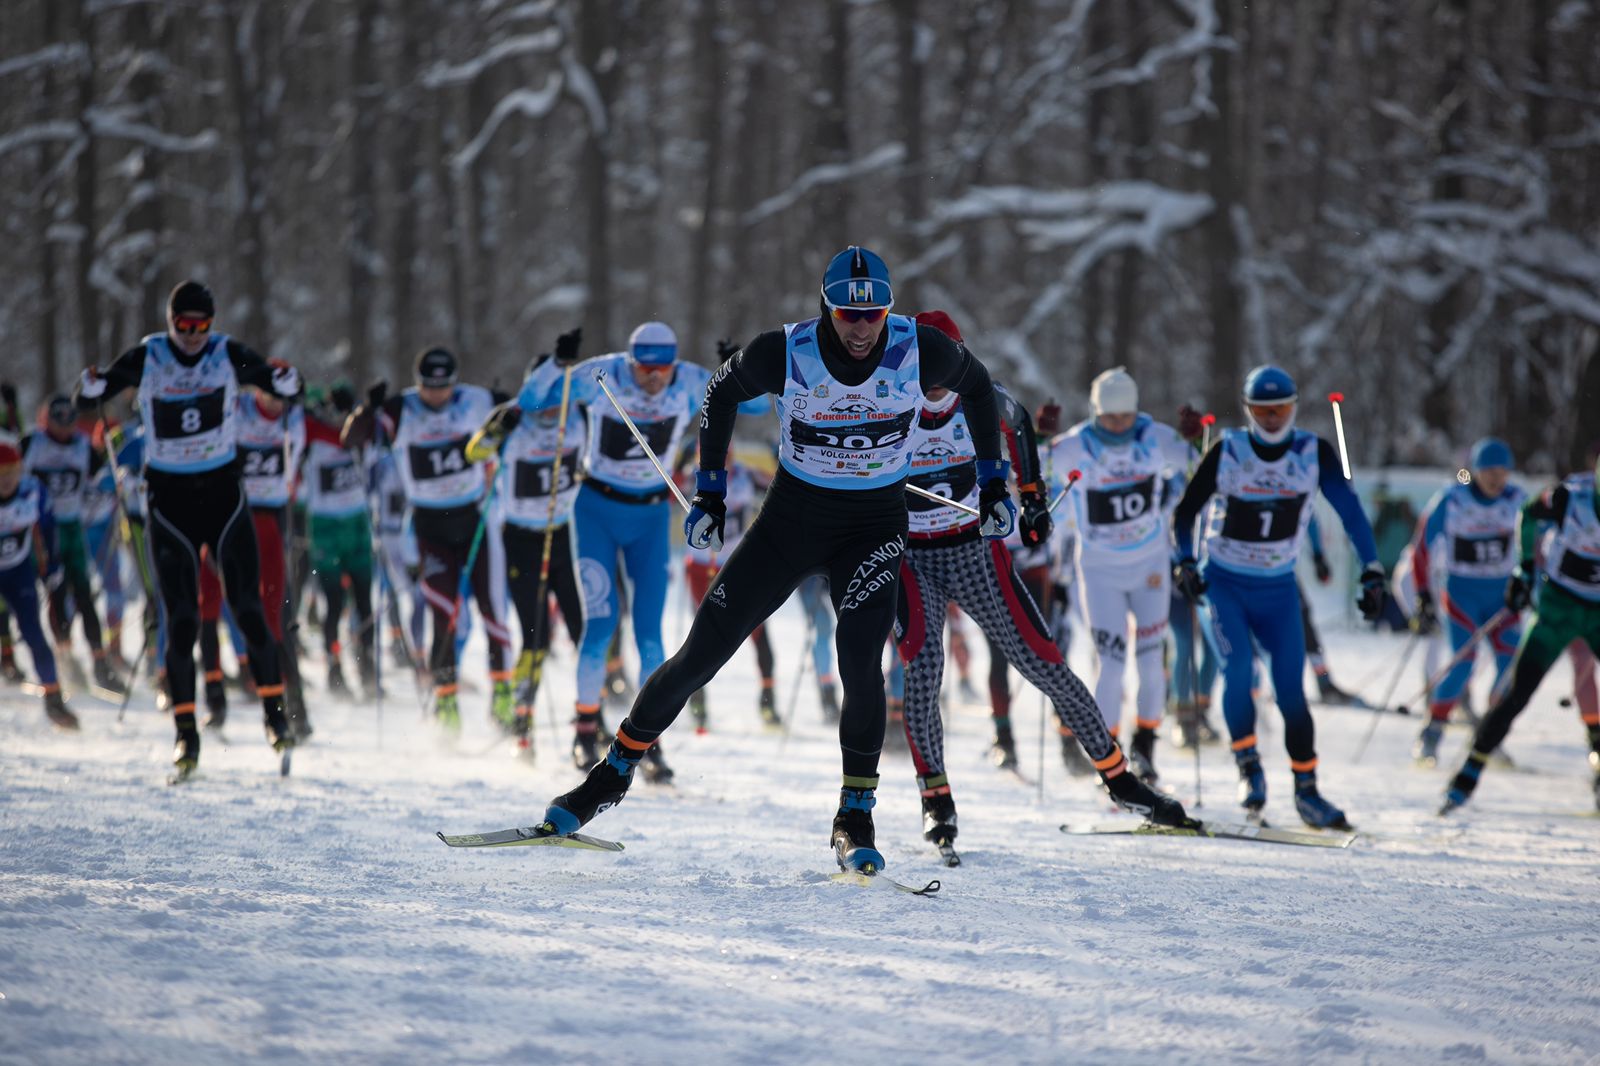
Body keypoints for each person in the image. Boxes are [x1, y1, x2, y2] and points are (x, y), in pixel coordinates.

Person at [540, 246, 1119, 871]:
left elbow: (981, 391)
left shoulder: (918, 347)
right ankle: (611, 774)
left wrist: (993, 484)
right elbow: (718, 395)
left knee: (861, 664)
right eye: (848, 314)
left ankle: (855, 815)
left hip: (872, 527)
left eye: (874, 315)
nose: (862, 328)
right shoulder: (786, 350)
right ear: (827, 309)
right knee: (701, 653)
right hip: (791, 522)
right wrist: (708, 492)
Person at [895, 312, 1186, 859]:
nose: (935, 379)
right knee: (923, 667)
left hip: (972, 549)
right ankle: (937, 800)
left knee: (1042, 661)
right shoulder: (892, 398)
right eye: (925, 366)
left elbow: (1020, 426)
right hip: (910, 555)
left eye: (945, 364)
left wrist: (1032, 498)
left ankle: (1120, 779)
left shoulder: (980, 392)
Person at [75, 280, 300, 778]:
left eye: (202, 325)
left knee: (248, 609)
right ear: (171, 321)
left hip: (223, 496)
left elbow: (277, 379)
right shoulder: (151, 355)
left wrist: (287, 382)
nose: (193, 335)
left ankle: (274, 717)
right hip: (170, 503)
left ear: (212, 323)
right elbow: (98, 390)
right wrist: (90, 388)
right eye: (184, 325)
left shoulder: (225, 352)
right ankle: (185, 734)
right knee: (180, 619)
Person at [1171, 365, 1384, 828]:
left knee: (1291, 691)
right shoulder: (1228, 449)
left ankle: (1307, 791)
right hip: (1225, 584)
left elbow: (1350, 513)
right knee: (1241, 671)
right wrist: (1185, 561)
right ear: (1248, 410)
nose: (1271, 419)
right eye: (1261, 410)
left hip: (1278, 591)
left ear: (1294, 408)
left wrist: (1371, 569)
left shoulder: (1314, 452)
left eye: (1281, 410)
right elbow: (1186, 512)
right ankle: (1250, 771)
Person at [515, 321, 711, 774]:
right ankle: (584, 731)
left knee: (650, 634)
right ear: (630, 361)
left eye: (663, 368)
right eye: (645, 368)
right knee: (600, 626)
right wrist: (556, 364)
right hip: (596, 511)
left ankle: (646, 739)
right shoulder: (604, 374)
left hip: (649, 517)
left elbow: (756, 403)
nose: (655, 378)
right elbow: (532, 401)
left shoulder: (689, 381)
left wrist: (736, 364)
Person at [341, 349, 510, 735]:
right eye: (429, 388)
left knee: (493, 611)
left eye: (444, 387)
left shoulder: (473, 400)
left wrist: (510, 415)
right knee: (445, 615)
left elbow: (517, 408)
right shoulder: (403, 407)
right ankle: (446, 701)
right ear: (419, 385)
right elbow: (351, 437)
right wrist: (369, 408)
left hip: (474, 521)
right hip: (429, 527)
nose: (437, 396)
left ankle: (503, 695)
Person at [1050, 368, 1192, 784]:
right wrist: (1037, 443)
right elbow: (1033, 475)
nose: (1118, 426)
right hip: (1099, 571)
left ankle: (1145, 748)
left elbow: (1203, 464)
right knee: (1110, 666)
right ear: (1096, 412)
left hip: (1149, 566)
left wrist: (1194, 442)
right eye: (1109, 418)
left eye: (1125, 417)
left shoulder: (1155, 436)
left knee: (1151, 664)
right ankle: (1107, 756)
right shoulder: (1075, 445)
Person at [1442, 454, 1600, 813]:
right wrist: (1524, 569)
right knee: (1518, 692)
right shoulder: (1570, 497)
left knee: (1584, 680)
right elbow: (1529, 514)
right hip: (1558, 609)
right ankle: (1468, 772)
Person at [465, 335, 589, 746]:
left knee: (582, 629)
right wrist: (498, 429)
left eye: (559, 398)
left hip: (564, 533)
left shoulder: (579, 415)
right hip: (520, 537)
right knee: (534, 635)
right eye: (545, 398)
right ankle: (522, 719)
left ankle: (592, 718)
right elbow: (474, 453)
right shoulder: (513, 415)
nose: (552, 407)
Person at [1409, 438, 1525, 765]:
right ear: (1475, 471)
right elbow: (1421, 548)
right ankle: (1431, 733)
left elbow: (1539, 545)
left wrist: (1533, 583)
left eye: (1502, 471)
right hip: (1463, 596)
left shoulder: (1517, 500)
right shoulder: (1453, 499)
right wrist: (1421, 594)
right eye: (1488, 470)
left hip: (1503, 598)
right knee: (1462, 664)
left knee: (1510, 667)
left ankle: (1490, 734)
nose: (1495, 478)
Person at [22, 396, 124, 696]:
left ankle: (99, 660)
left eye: (68, 424)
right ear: (47, 420)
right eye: (58, 423)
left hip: (71, 525)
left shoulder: (82, 446)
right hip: (40, 528)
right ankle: (64, 659)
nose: (64, 431)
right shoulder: (33, 444)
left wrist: (114, 476)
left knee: (82, 590)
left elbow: (100, 478)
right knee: (56, 588)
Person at [681, 453, 780, 731]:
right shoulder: (692, 475)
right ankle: (698, 702)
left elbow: (778, 486)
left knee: (757, 628)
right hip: (701, 566)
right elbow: (667, 492)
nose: (724, 455)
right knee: (701, 634)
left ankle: (768, 700)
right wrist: (679, 465)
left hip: (737, 564)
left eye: (728, 450)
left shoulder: (746, 475)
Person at [302, 386, 375, 699]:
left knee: (364, 601)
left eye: (343, 413)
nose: (338, 420)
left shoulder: (359, 434)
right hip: (326, 526)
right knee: (334, 603)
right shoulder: (312, 433)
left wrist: (367, 408)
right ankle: (334, 668)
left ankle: (368, 667)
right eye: (332, 413)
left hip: (357, 523)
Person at [0, 439, 79, 728]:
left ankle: (54, 699)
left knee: (33, 632)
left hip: (19, 571)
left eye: (12, 471)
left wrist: (53, 566)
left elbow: (47, 530)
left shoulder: (32, 491)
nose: (6, 479)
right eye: (0, 473)